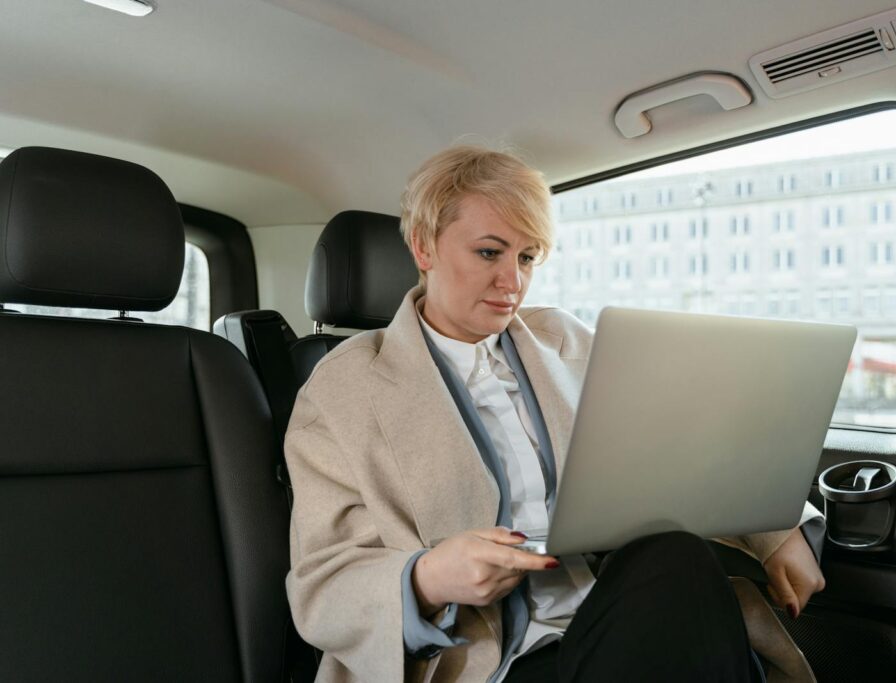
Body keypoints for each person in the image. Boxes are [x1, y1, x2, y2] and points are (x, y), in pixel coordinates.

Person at [285, 146, 826, 682]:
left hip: (616, 613)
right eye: (490, 253)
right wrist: (427, 577)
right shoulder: (341, 391)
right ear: (423, 246)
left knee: (675, 557)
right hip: (484, 658)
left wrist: (776, 533)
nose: (513, 283)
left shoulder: (564, 339)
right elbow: (321, 587)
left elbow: (684, 439)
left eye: (526, 257)